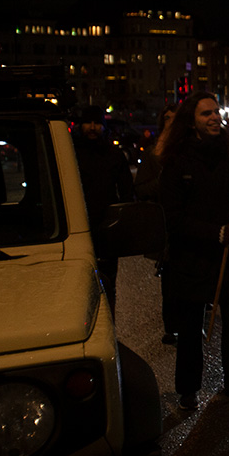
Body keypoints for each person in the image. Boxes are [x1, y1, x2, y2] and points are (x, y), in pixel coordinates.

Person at [157, 91, 229, 415]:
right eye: (206, 114)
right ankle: (188, 389)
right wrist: (213, 233)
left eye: (216, 112)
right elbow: (171, 218)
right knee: (190, 327)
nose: (215, 117)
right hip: (192, 259)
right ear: (192, 122)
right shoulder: (176, 162)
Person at [72, 105, 134, 314]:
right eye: (88, 123)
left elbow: (126, 191)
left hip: (106, 227)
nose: (92, 127)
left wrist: (121, 222)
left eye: (97, 123)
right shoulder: (72, 153)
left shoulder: (113, 155)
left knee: (108, 283)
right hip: (78, 226)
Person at [135, 103, 183, 345]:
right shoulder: (153, 156)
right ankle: (172, 326)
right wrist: (162, 180)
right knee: (171, 281)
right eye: (167, 119)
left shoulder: (190, 152)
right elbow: (141, 190)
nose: (172, 123)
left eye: (177, 119)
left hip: (190, 225)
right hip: (167, 228)